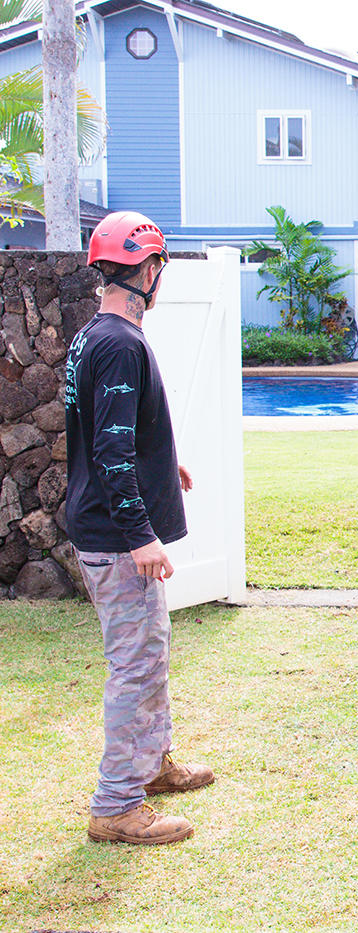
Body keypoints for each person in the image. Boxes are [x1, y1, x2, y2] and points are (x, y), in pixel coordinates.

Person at [65, 211, 213, 846]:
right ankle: (116, 803)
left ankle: (151, 766)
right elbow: (109, 453)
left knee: (148, 655)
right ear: (147, 270)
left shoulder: (93, 336)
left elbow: (112, 434)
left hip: (100, 525)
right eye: (159, 267)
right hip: (115, 538)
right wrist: (141, 536)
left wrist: (161, 462)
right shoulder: (122, 343)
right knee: (136, 664)